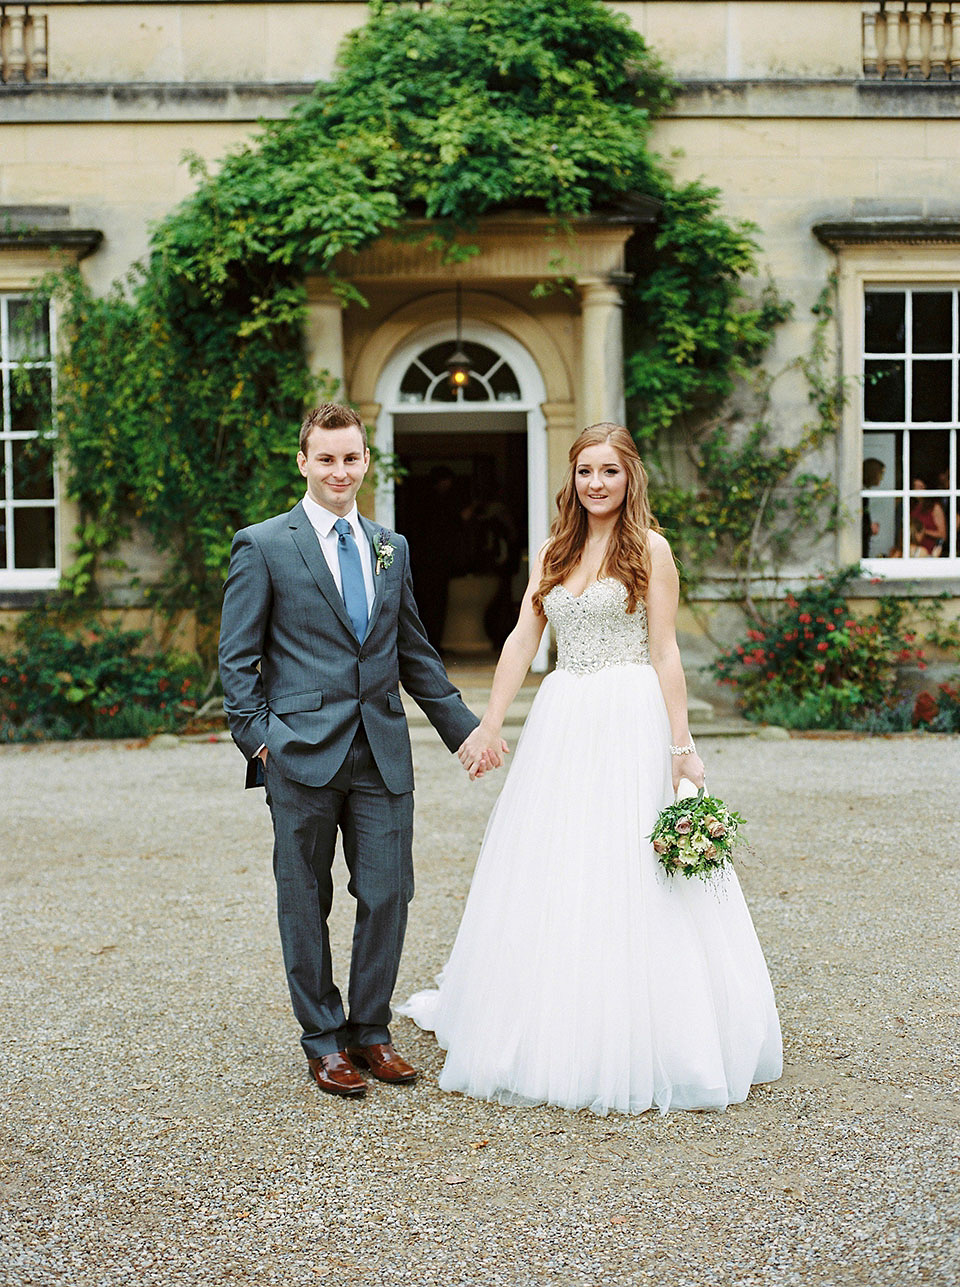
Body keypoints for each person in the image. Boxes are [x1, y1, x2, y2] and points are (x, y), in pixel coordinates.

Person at [399, 423, 782, 1115]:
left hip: (630, 713)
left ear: (630, 476)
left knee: (631, 868)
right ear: (571, 479)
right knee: (556, 863)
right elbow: (523, 635)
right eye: (584, 471)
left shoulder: (651, 551)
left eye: (608, 470)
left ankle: (648, 1029)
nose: (595, 482)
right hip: (563, 714)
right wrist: (490, 721)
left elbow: (665, 651)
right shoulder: (552, 548)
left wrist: (680, 746)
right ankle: (549, 1018)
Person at [218, 403, 503, 1099]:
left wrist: (464, 729)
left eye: (351, 458)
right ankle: (322, 1038)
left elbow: (415, 652)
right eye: (326, 458)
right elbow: (235, 662)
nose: (339, 471)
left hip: (381, 749)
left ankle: (370, 1029)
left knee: (387, 892)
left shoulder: (390, 546)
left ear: (365, 462)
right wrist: (262, 745)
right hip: (299, 754)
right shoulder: (264, 545)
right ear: (303, 461)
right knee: (303, 897)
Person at [909, 477, 947, 557]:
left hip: (930, 550)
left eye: (920, 487)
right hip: (913, 551)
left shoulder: (935, 507)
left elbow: (942, 534)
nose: (917, 490)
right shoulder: (912, 506)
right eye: (915, 487)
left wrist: (923, 531)